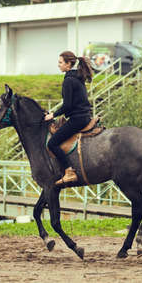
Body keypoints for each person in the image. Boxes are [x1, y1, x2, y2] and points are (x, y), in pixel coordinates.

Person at [44, 51, 93, 185]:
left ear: (68, 64)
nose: (58, 65)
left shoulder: (68, 80)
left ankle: (69, 171)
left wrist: (52, 115)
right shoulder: (78, 77)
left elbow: (67, 105)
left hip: (77, 119)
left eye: (60, 62)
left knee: (52, 143)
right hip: (85, 117)